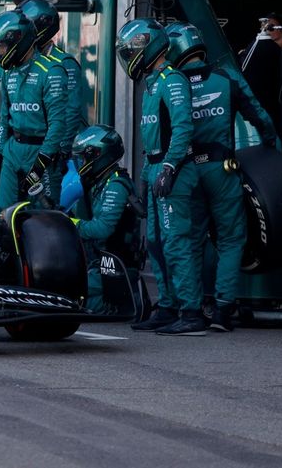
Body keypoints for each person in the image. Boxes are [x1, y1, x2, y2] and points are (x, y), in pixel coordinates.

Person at [165, 22, 276, 332]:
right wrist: (271, 147)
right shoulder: (225, 78)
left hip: (185, 170)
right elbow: (259, 115)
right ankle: (224, 311)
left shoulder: (170, 84)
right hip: (222, 169)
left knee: (190, 240)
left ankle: (193, 308)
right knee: (230, 239)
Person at [116, 18, 203, 336]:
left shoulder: (173, 80)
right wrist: (143, 177)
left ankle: (191, 312)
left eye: (132, 49)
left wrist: (168, 168)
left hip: (175, 169)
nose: (129, 56)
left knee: (176, 242)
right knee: (154, 242)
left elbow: (183, 128)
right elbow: (150, 136)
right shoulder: (152, 83)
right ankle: (167, 306)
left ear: (149, 45)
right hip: (155, 166)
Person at [0, 10, 67, 215]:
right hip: (12, 152)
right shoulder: (8, 73)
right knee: (3, 216)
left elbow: (58, 124)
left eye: (3, 46)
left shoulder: (51, 71)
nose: (1, 52)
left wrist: (41, 164)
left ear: (19, 40)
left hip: (40, 153)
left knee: (45, 218)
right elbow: (5, 119)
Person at [66, 125, 141, 313]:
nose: (82, 162)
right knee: (57, 283)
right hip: (98, 264)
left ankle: (127, 303)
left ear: (98, 155)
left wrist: (71, 224)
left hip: (117, 268)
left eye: (84, 157)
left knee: (66, 297)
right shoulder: (97, 182)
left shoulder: (116, 185)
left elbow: (103, 228)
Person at [20, 0, 86, 195]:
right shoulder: (23, 62)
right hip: (24, 150)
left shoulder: (64, 63)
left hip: (50, 154)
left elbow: (71, 111)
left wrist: (61, 151)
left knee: (47, 212)